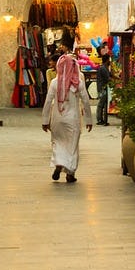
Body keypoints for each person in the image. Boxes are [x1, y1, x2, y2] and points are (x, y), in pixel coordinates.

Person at [41, 42, 93, 182]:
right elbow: (86, 102)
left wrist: (45, 121)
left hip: (57, 119)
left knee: (58, 142)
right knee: (72, 145)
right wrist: (89, 120)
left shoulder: (54, 83)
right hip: (73, 120)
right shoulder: (78, 83)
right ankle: (70, 173)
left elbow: (47, 103)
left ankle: (59, 164)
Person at [95, 51, 111, 126]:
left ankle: (102, 119)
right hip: (102, 89)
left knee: (103, 104)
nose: (110, 61)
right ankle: (99, 119)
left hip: (103, 88)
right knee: (101, 104)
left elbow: (110, 75)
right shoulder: (103, 68)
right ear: (107, 60)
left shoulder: (105, 68)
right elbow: (108, 78)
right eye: (109, 60)